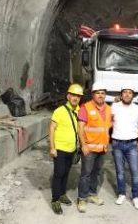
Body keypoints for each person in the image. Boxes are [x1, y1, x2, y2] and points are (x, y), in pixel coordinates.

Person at [76, 81, 112, 213]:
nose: (101, 95)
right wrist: (83, 145)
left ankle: (92, 194)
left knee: (96, 173)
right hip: (89, 149)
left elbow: (107, 128)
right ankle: (82, 198)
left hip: (102, 149)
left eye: (103, 93)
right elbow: (80, 128)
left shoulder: (108, 109)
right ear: (93, 95)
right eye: (98, 93)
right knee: (85, 174)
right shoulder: (86, 108)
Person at [49, 83, 84, 214]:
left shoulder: (80, 110)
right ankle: (55, 200)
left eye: (78, 96)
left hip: (72, 149)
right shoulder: (59, 111)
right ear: (68, 96)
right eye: (73, 95)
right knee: (58, 174)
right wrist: (52, 147)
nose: (76, 98)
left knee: (66, 173)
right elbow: (51, 128)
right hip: (60, 149)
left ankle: (62, 194)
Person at [111, 85, 138, 210]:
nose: (127, 94)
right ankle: (121, 194)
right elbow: (108, 121)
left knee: (134, 172)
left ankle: (135, 196)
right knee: (120, 172)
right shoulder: (114, 107)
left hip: (132, 144)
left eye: (129, 92)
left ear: (133, 95)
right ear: (121, 95)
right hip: (117, 143)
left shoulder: (137, 109)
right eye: (124, 92)